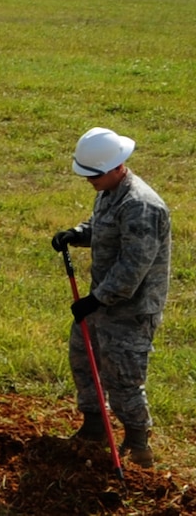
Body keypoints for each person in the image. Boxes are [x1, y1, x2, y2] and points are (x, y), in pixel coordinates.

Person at [51, 127, 172, 468]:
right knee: (84, 360)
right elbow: (104, 227)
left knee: (123, 379)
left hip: (130, 310)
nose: (90, 181)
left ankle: (137, 444)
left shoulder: (142, 206)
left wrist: (95, 300)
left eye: (95, 175)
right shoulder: (109, 190)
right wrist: (78, 233)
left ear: (118, 166)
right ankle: (93, 427)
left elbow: (132, 269)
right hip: (102, 302)